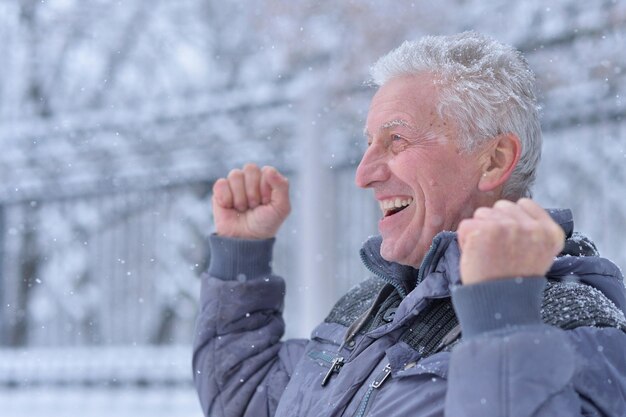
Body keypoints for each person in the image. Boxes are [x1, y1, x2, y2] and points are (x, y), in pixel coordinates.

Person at [192, 32, 626, 417]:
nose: (363, 174)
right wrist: (240, 259)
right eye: (367, 143)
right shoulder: (373, 308)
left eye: (396, 139)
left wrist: (503, 320)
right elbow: (251, 401)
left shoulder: (573, 326)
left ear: (492, 161)